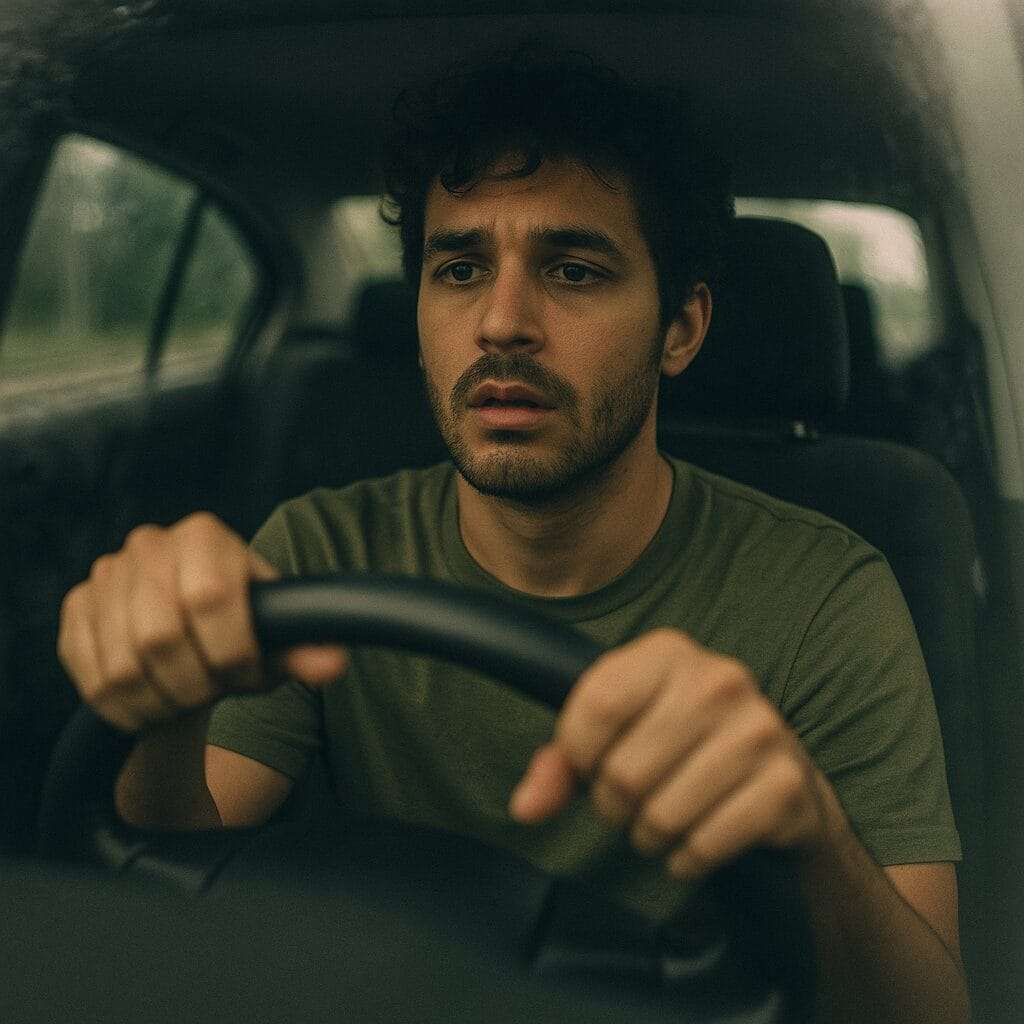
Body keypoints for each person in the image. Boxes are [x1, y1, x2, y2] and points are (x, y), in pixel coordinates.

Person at [57, 49, 968, 1022]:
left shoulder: (826, 589)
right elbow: (171, 875)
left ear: (680, 328)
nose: (500, 322)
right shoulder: (318, 545)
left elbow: (931, 1011)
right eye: (458, 268)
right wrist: (168, 713)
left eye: (573, 269)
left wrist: (811, 837)